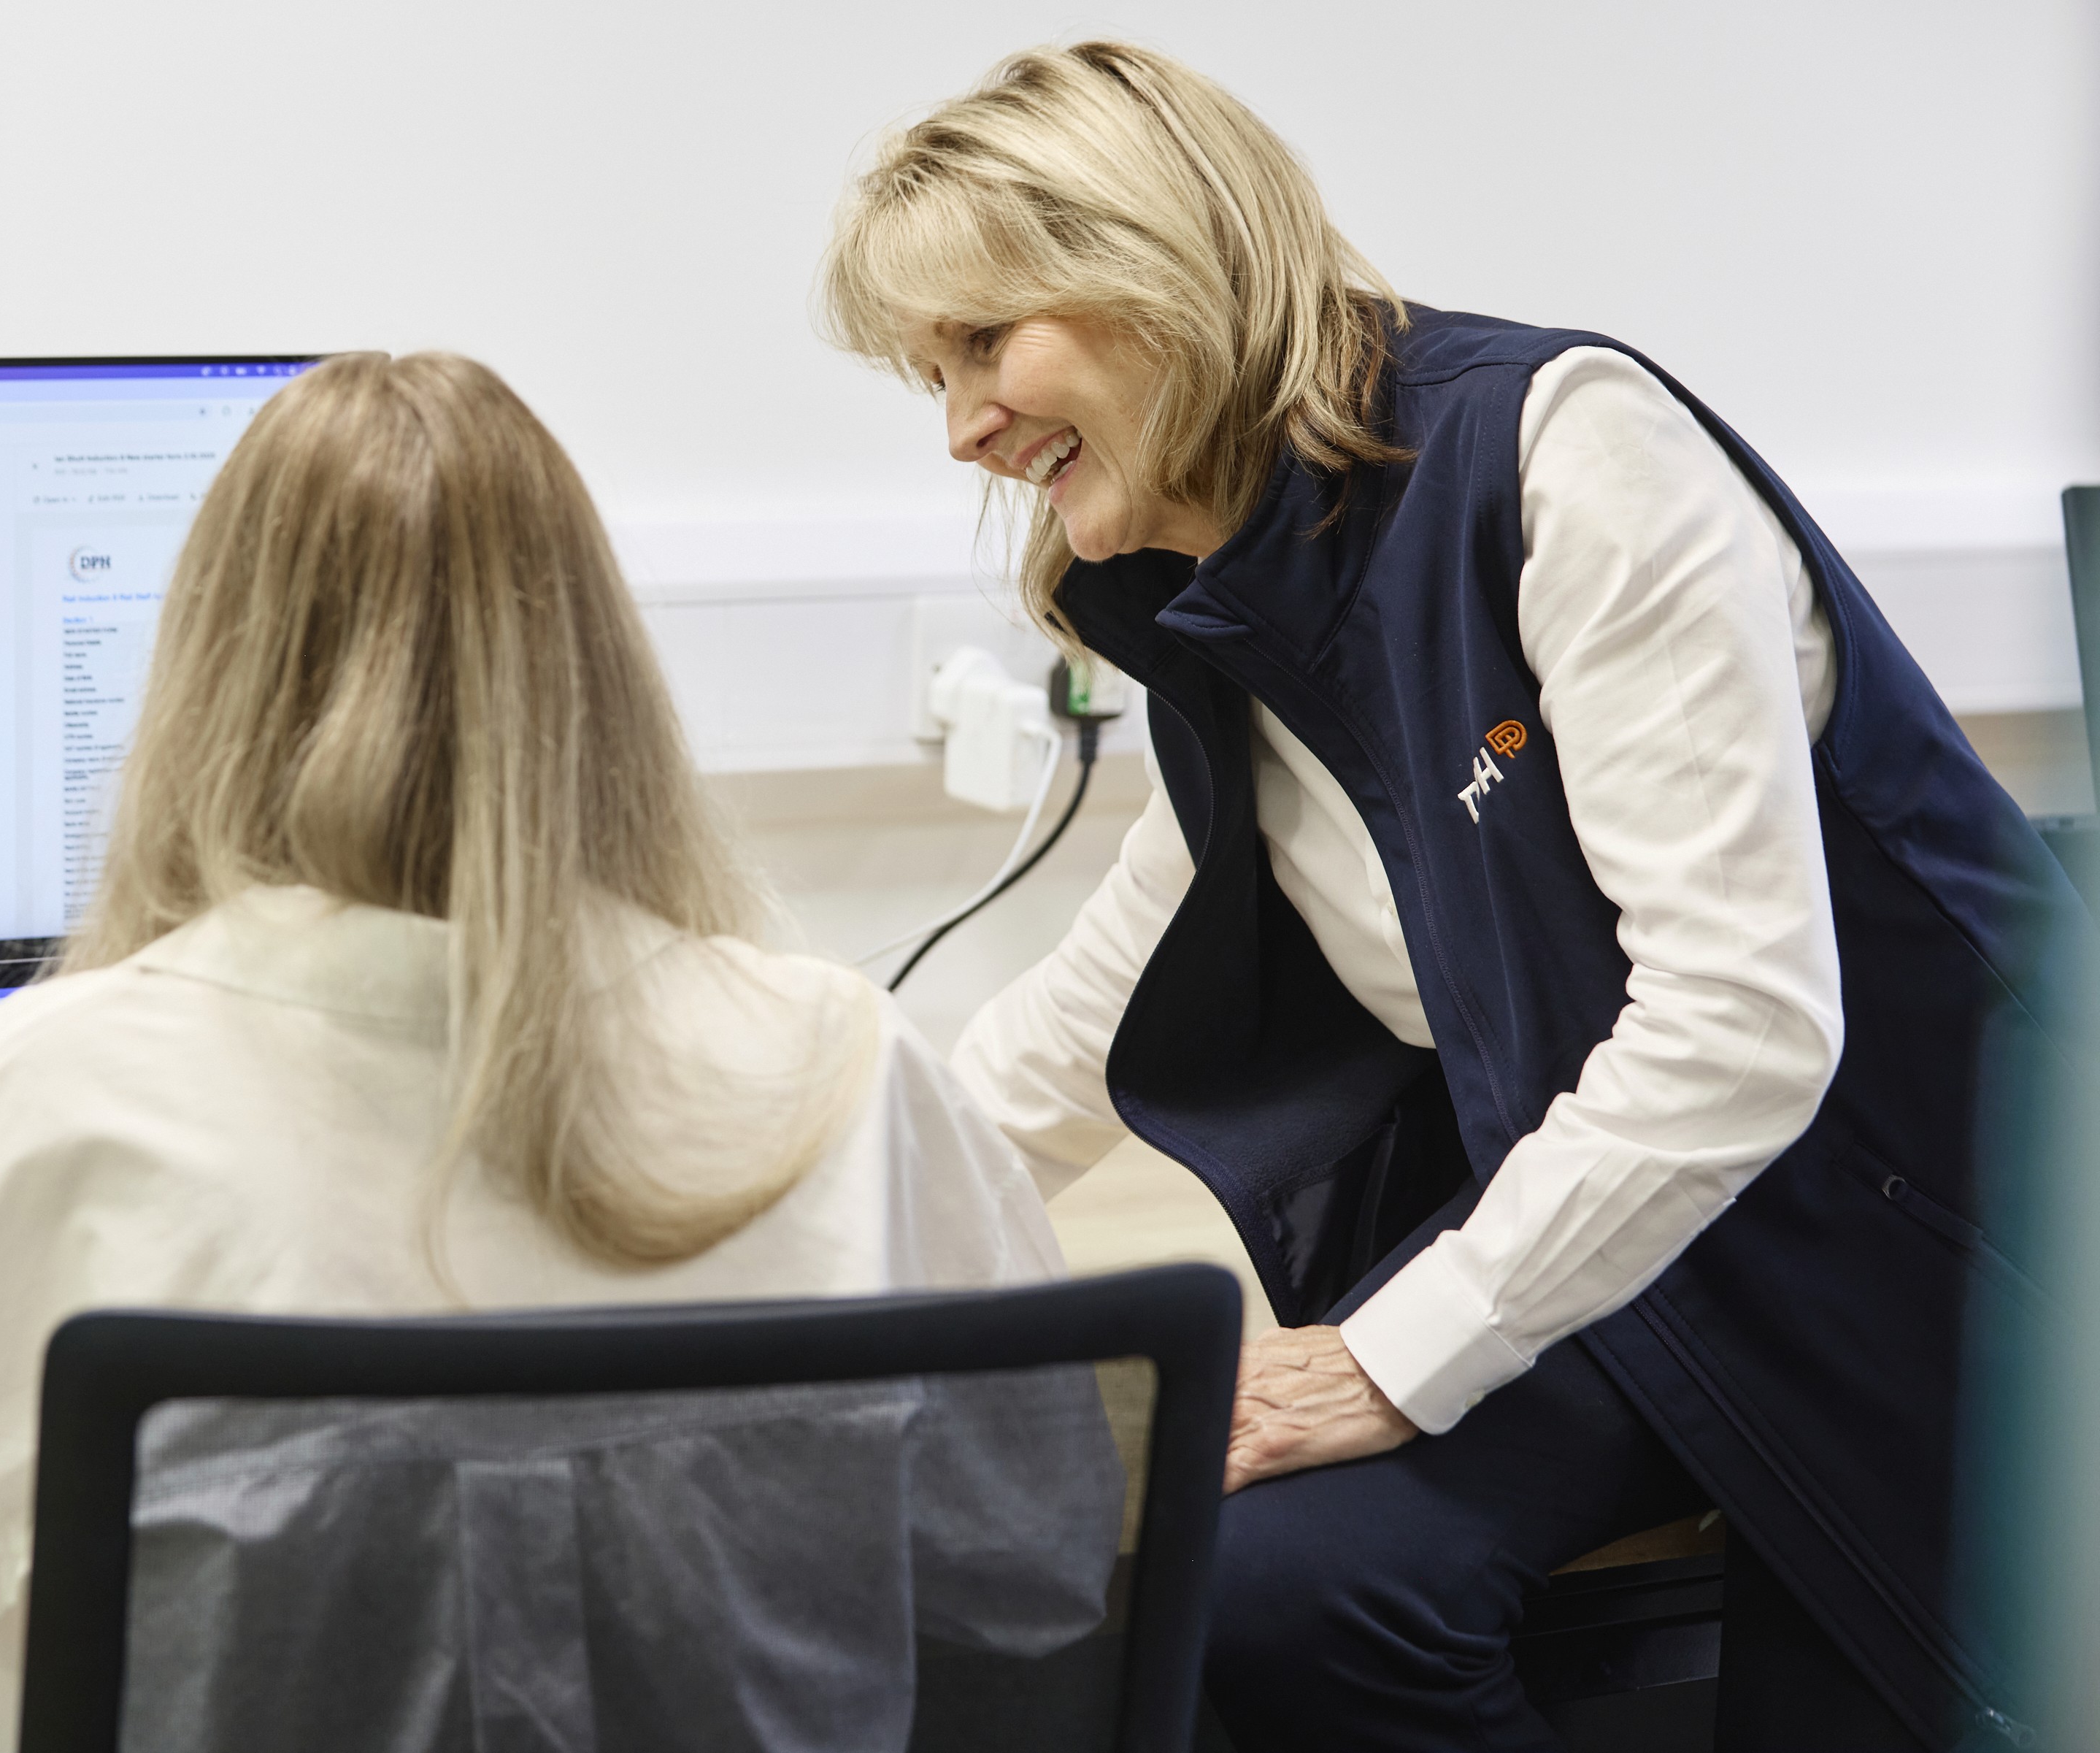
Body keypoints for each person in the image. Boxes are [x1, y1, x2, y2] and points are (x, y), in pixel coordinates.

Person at [822, 41, 2088, 1753]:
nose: (965, 428)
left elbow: (1741, 1028)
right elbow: (1068, 1031)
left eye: (983, 342)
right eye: (931, 378)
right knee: (1261, 1585)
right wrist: (772, 1270)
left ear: (1153, 264)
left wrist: (1370, 1362)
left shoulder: (1563, 452)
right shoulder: (1241, 612)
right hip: (1633, 1252)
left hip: (1903, 1240)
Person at [0, 352, 1080, 1750]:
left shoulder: (74, 1096)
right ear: (599, 673)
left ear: (214, 677)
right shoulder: (842, 1066)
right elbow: (1045, 1552)